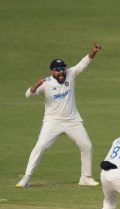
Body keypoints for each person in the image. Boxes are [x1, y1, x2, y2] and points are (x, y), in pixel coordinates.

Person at [16, 42, 103, 188]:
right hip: (52, 122)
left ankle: (85, 178)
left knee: (87, 145)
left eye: (62, 68)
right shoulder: (46, 83)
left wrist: (93, 52)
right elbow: (27, 95)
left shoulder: (71, 74)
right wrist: (35, 87)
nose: (61, 71)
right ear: (52, 72)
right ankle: (26, 178)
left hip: (73, 121)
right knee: (41, 146)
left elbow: (83, 63)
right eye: (57, 70)